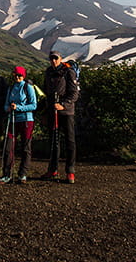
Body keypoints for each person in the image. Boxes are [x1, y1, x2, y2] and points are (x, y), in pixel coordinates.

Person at [42, 51, 79, 184]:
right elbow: (46, 90)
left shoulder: (68, 72)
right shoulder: (48, 72)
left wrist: (63, 105)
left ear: (60, 59)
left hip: (66, 112)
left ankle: (70, 171)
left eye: (55, 58)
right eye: (51, 58)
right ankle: (53, 169)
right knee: (53, 142)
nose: (53, 61)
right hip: (53, 111)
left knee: (70, 142)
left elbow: (74, 94)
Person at [0, 66, 37, 184]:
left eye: (20, 75)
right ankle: (7, 174)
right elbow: (5, 106)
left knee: (26, 148)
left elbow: (33, 105)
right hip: (13, 120)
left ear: (23, 76)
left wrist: (19, 108)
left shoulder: (28, 87)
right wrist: (8, 108)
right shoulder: (11, 88)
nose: (17, 77)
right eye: (16, 75)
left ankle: (22, 174)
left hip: (26, 120)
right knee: (8, 147)